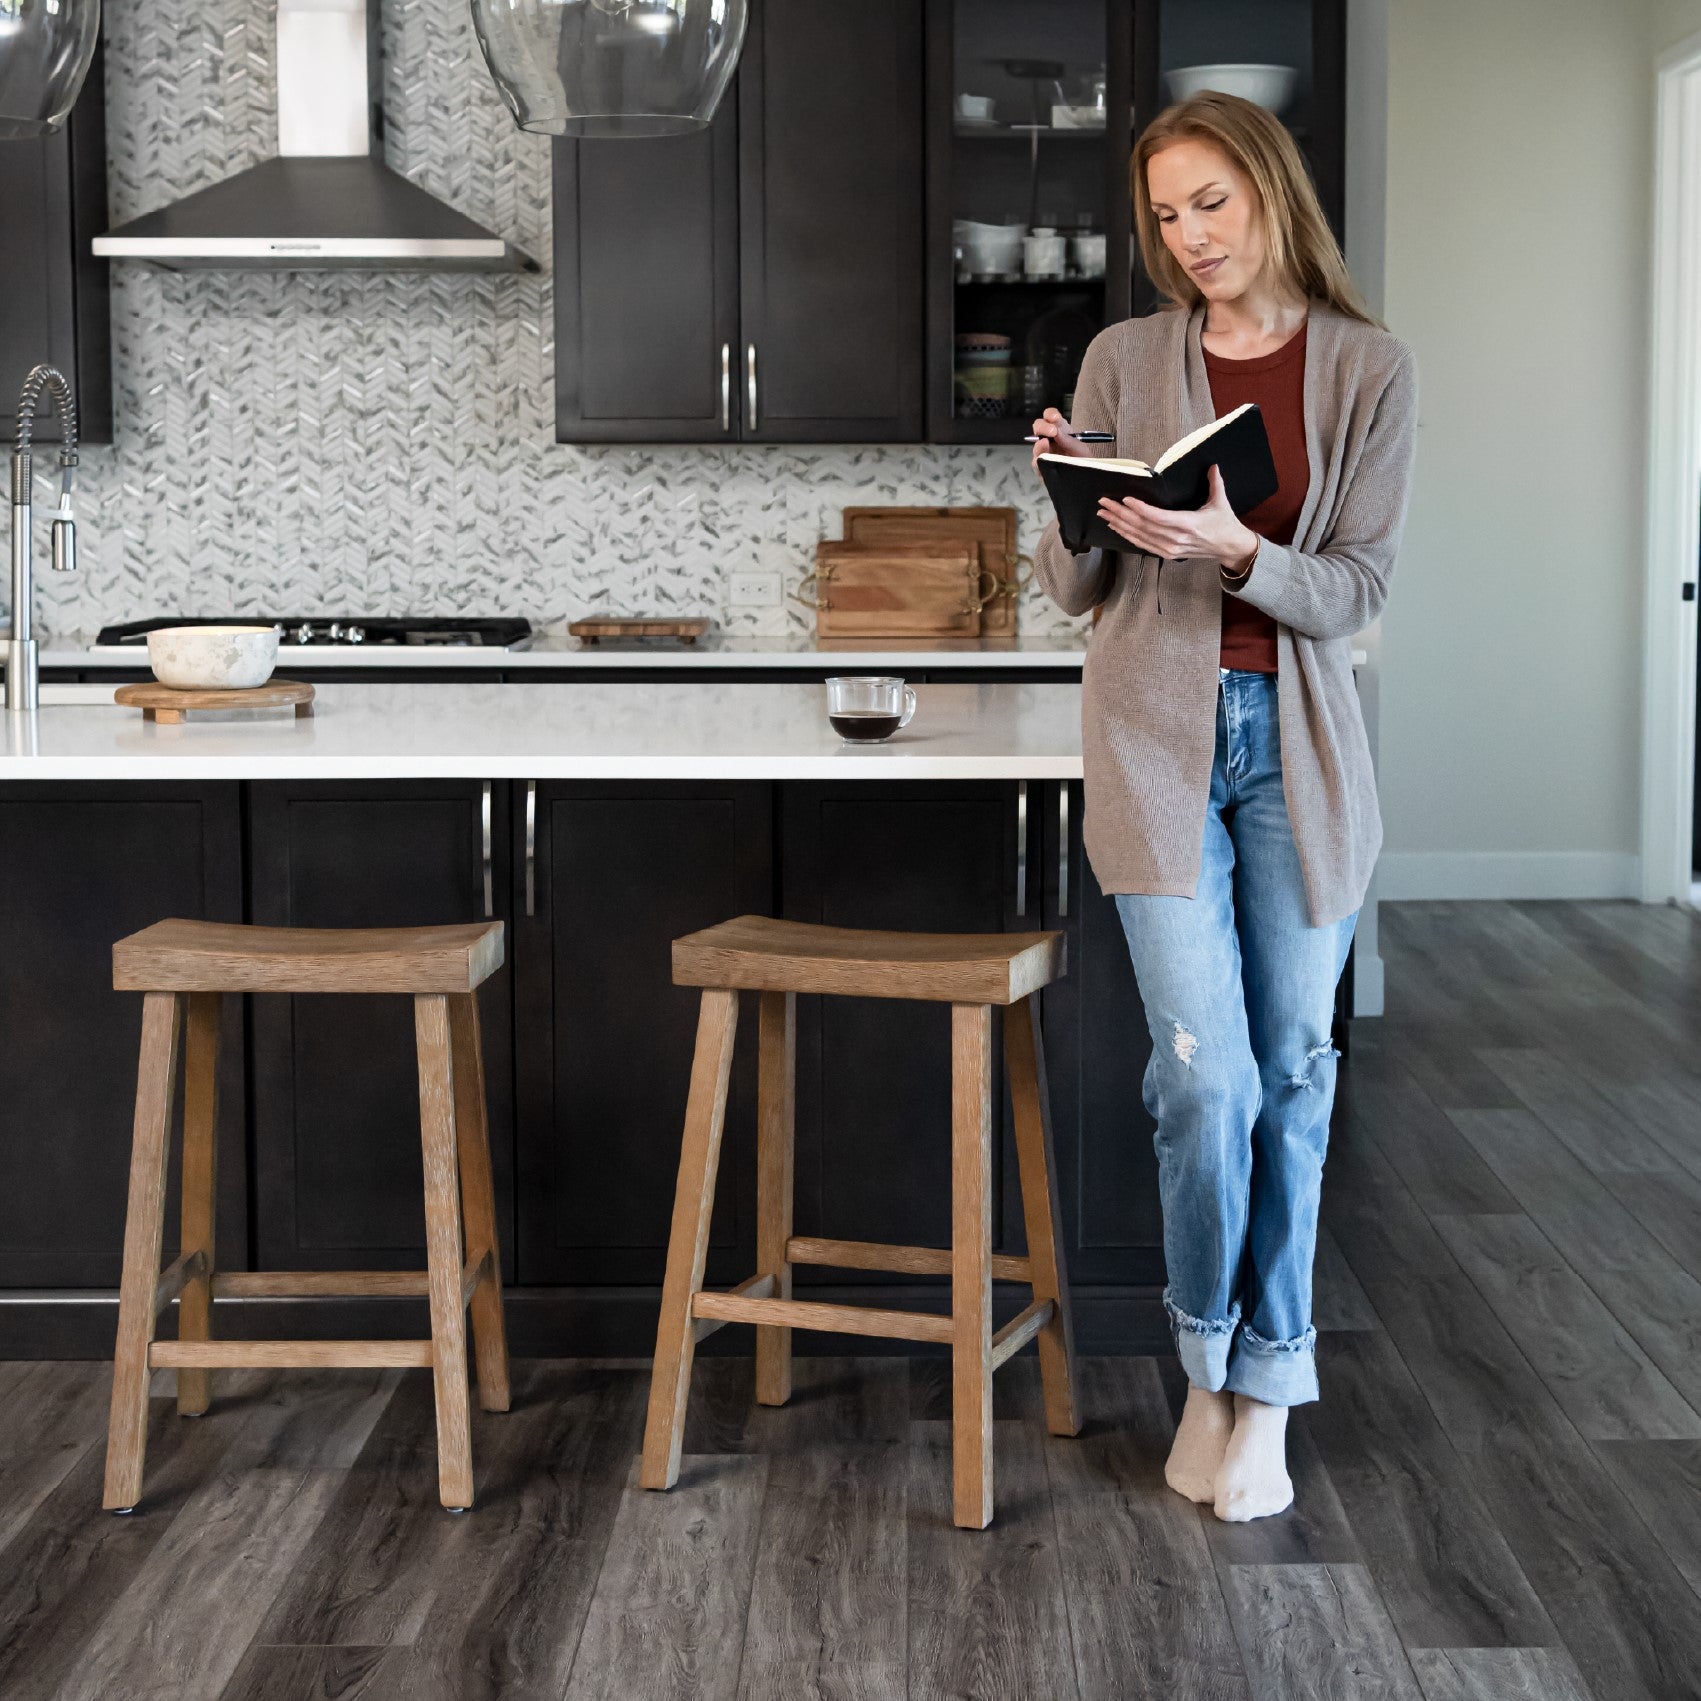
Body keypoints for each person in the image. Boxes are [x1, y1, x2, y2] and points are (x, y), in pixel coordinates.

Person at [1030, 91, 1418, 1522]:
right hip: (1152, 743)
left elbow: (1357, 591)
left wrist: (1236, 548)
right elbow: (1080, 591)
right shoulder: (1128, 354)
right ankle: (1205, 1364)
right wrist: (1069, 498)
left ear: (1267, 195)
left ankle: (1266, 1387)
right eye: (1166, 212)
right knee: (1205, 1076)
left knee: (1295, 1073)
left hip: (1301, 757)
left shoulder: (1367, 368)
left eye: (1212, 202)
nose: (1188, 236)